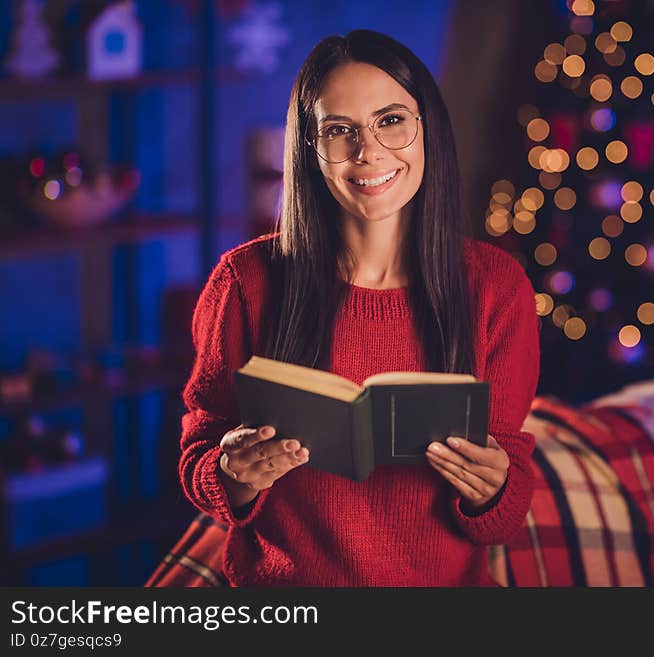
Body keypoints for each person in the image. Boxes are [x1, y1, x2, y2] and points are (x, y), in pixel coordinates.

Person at [179, 29, 540, 586]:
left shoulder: (495, 286)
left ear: (429, 131)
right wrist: (233, 472)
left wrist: (493, 488)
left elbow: (504, 511)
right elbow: (201, 453)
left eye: (391, 120)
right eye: (339, 131)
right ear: (310, 151)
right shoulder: (245, 282)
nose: (368, 151)